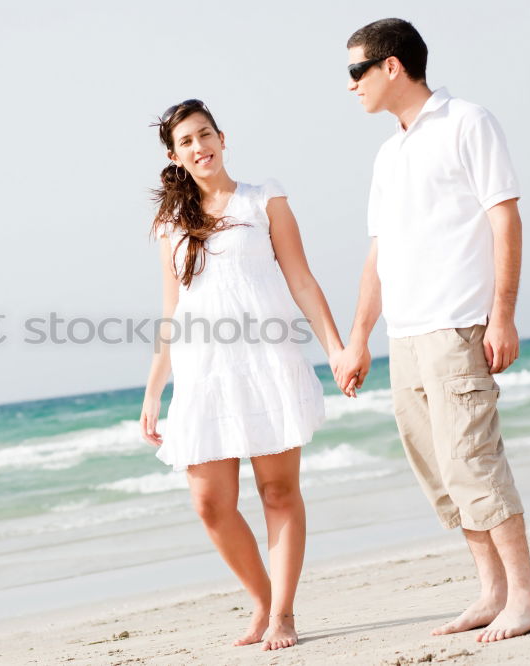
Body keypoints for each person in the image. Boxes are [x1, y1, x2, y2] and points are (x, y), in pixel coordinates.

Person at [335, 18, 530, 643]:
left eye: (357, 72)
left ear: (392, 67)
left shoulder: (468, 122)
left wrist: (503, 313)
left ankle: (527, 597)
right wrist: (359, 339)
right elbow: (379, 255)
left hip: (459, 324)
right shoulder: (388, 153)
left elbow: (504, 219)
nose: (351, 86)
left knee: (474, 462)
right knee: (441, 472)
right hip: (406, 336)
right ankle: (493, 592)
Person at [139, 99, 349, 651]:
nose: (198, 146)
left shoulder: (264, 200)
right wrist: (154, 387)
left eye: (204, 134)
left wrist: (336, 347)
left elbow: (302, 280)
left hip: (266, 362)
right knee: (210, 504)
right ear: (174, 155)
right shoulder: (171, 224)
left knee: (278, 491)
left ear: (222, 138)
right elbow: (172, 311)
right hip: (204, 374)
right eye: (186, 141)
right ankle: (260, 599)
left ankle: (282, 614)